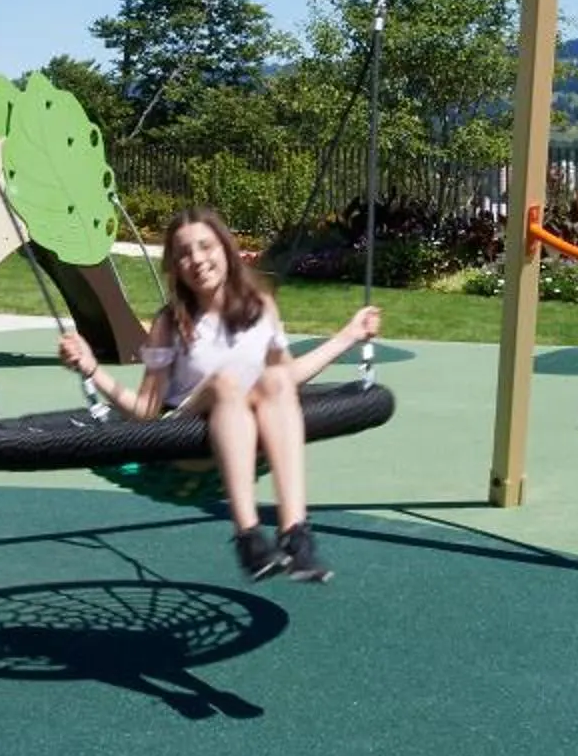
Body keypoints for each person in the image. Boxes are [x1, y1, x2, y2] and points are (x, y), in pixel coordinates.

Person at [60, 206, 382, 584]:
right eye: (184, 253)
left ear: (226, 249)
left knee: (276, 380)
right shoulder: (170, 322)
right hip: (186, 443)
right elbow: (146, 410)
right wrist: (92, 370)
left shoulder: (261, 306)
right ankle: (248, 535)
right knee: (225, 383)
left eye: (205, 246)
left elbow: (288, 376)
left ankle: (295, 533)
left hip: (249, 438)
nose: (197, 259)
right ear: (175, 266)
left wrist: (348, 336)